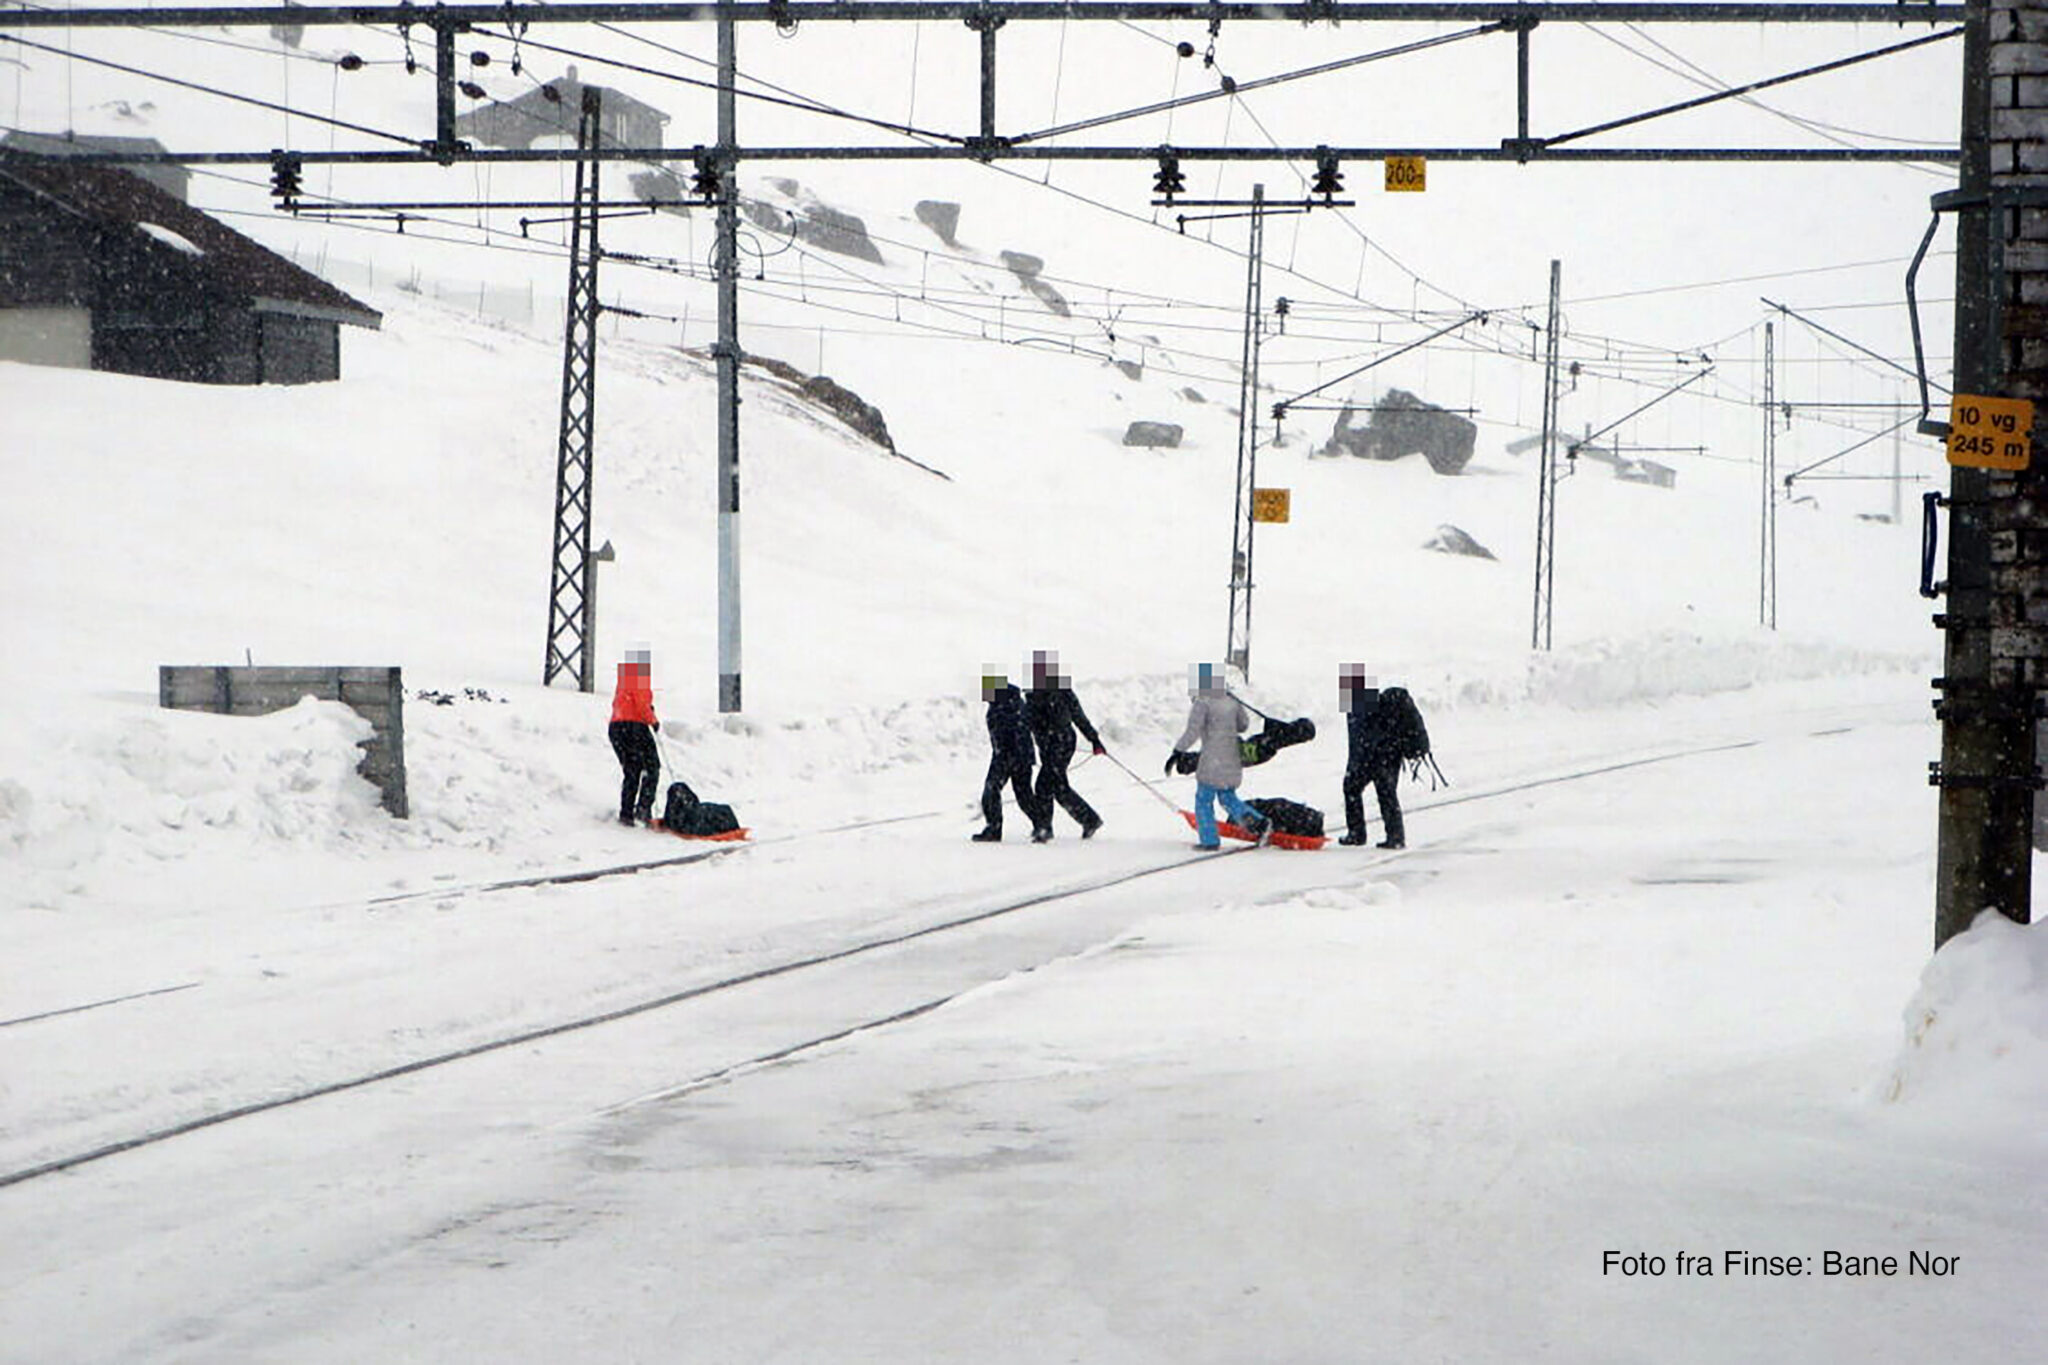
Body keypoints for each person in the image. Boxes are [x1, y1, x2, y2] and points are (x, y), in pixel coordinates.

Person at [1166, 662, 1267, 850]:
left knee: (1203, 800)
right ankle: (1258, 822)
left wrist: (1178, 751)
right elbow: (1243, 725)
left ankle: (1209, 840)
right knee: (1228, 797)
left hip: (1212, 758)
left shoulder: (1202, 702)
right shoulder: (1232, 700)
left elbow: (1192, 731)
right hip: (1232, 757)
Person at [1026, 649, 1106, 839]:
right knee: (1058, 786)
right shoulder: (1032, 694)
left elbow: (1078, 716)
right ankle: (1089, 820)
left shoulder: (1061, 690)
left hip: (1062, 742)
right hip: (1047, 744)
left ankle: (1045, 828)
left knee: (1044, 784)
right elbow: (1027, 724)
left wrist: (1094, 739)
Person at [974, 667, 1053, 843]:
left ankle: (994, 829)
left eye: (987, 690)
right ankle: (1042, 826)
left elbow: (1010, 734)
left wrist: (1006, 757)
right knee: (1024, 795)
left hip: (1008, 756)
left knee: (991, 790)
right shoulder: (1013, 704)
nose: (984, 694)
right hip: (1019, 756)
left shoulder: (1004, 709)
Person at [1337, 664, 1405, 848]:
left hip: (1373, 756)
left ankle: (1357, 833)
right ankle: (1396, 836)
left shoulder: (1358, 704)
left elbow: (1359, 739)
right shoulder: (1375, 703)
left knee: (1353, 788)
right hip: (1389, 754)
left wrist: (1355, 764)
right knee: (1386, 793)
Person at [609, 647, 661, 826]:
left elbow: (626, 702)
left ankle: (626, 813)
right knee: (652, 767)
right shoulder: (637, 676)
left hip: (616, 728)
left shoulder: (623, 681)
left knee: (632, 770)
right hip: (634, 727)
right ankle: (643, 809)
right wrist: (653, 720)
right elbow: (640, 702)